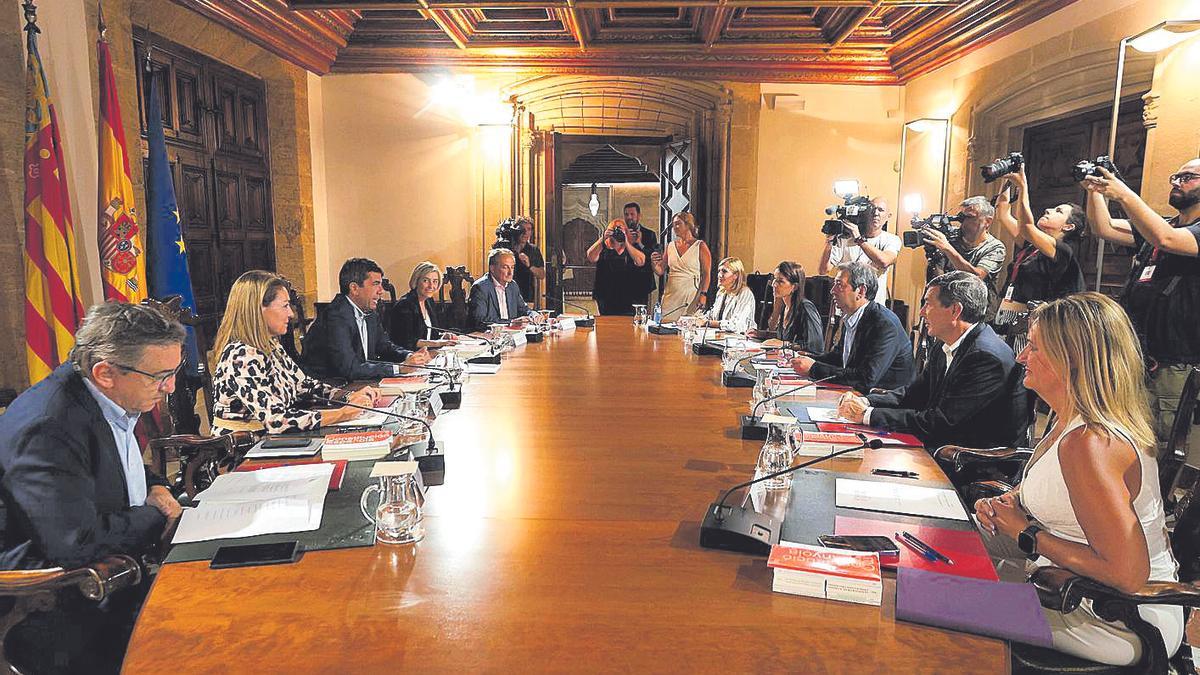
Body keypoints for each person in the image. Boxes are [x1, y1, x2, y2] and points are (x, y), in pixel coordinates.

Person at [975, 293, 1182, 667]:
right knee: (938, 566)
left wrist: (1027, 532)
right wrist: (1008, 505)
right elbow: (1059, 499)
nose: (1021, 356)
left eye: (1034, 348)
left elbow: (1128, 574)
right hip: (1064, 588)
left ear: (1072, 360)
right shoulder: (1066, 420)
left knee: (936, 606)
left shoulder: (1091, 442)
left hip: (1115, 616)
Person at [0, 302, 185, 674]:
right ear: (105, 373)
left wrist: (156, 487)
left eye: (174, 371)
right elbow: (75, 543)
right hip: (68, 600)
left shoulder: (102, 397)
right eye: (159, 375)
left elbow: (112, 467)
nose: (170, 387)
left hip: (116, 566)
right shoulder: (50, 425)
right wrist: (156, 515)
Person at [1082, 159, 1200, 463]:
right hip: (1138, 353)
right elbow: (1103, 227)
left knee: (1159, 443)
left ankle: (1155, 503)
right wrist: (1095, 190)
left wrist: (1123, 193)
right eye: (1176, 175)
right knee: (1126, 433)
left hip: (1175, 360)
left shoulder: (1179, 232)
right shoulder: (1164, 224)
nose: (1176, 182)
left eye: (1187, 177)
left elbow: (1167, 239)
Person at [837, 271, 1029, 449]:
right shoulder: (944, 343)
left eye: (928, 304)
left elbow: (941, 422)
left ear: (955, 311)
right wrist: (866, 402)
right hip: (940, 445)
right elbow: (913, 395)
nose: (921, 312)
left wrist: (868, 415)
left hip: (969, 461)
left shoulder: (986, 357)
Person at [212, 270, 377, 434]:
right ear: (258, 310)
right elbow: (276, 420)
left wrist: (349, 397)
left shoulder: (271, 345)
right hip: (243, 451)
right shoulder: (241, 355)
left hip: (271, 442)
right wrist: (342, 414)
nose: (291, 314)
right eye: (284, 306)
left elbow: (304, 386)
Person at [792, 261, 914, 392]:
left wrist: (813, 368)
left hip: (884, 401)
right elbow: (838, 358)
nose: (832, 291)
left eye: (839, 285)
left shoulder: (884, 324)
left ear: (861, 291)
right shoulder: (852, 316)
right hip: (856, 394)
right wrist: (803, 358)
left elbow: (866, 378)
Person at [302, 258, 430, 381]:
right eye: (375, 284)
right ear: (354, 288)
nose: (381, 291)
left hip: (358, 383)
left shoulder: (369, 312)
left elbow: (384, 347)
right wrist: (399, 368)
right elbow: (349, 368)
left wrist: (409, 356)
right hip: (329, 390)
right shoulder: (336, 317)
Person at [992, 168, 1086, 306]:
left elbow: (1026, 227)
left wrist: (1022, 186)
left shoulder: (1063, 251)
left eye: (1058, 211)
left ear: (1068, 226)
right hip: (1008, 313)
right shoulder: (1031, 245)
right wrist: (1005, 177)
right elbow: (1003, 215)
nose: (1048, 210)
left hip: (1036, 319)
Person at [921, 195, 1008, 315]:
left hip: (976, 314)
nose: (963, 223)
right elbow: (938, 279)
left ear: (987, 221)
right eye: (961, 217)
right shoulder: (952, 238)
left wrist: (947, 248)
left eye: (970, 217)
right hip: (947, 310)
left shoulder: (995, 247)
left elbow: (976, 277)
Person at [818, 197, 902, 304]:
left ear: (888, 216)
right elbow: (823, 270)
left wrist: (859, 239)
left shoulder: (891, 240)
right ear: (865, 212)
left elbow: (884, 261)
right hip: (844, 306)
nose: (875, 213)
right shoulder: (845, 238)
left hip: (872, 307)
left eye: (880, 210)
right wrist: (829, 241)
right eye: (872, 209)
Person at [747, 261, 824, 352]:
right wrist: (762, 334)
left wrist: (784, 345)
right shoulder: (785, 306)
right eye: (774, 279)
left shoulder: (806, 308)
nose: (774, 284)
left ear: (794, 287)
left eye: (780, 281)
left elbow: (815, 346)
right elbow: (784, 337)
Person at [651, 213, 712, 322]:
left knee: (687, 326)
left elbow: (707, 273)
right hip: (672, 294)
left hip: (691, 294)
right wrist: (653, 263)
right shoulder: (670, 246)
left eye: (678, 224)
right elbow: (660, 271)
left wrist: (703, 294)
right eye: (673, 225)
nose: (674, 227)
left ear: (688, 225)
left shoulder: (700, 246)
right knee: (666, 326)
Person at [388, 261, 457, 351]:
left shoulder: (429, 301)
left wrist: (443, 336)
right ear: (416, 281)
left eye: (435, 281)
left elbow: (430, 333)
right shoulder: (405, 305)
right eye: (425, 281)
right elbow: (406, 341)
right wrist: (437, 343)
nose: (431, 286)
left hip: (427, 354)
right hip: (409, 357)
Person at [468, 247, 541, 330]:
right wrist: (511, 323)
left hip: (511, 335)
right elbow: (480, 321)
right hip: (488, 336)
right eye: (505, 267)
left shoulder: (512, 286)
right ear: (492, 268)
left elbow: (524, 309)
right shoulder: (480, 288)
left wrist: (534, 314)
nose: (510, 272)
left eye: (512, 267)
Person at [587, 218, 648, 315]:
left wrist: (626, 241)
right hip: (606, 295)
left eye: (620, 229)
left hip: (629, 295)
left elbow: (641, 261)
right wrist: (603, 238)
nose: (617, 232)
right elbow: (590, 257)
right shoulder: (603, 247)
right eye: (614, 229)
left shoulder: (631, 248)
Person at [494, 216, 544, 304]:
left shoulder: (533, 250)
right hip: (504, 293)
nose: (525, 233)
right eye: (522, 229)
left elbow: (541, 275)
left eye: (528, 229)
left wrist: (529, 265)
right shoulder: (505, 247)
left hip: (526, 295)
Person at [700, 257, 757, 333]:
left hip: (740, 339)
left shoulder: (745, 293)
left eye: (724, 271)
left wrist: (708, 323)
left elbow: (736, 326)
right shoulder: (722, 292)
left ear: (735, 275)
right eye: (719, 271)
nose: (720, 275)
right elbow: (712, 315)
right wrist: (698, 319)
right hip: (722, 338)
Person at [622, 202, 659, 307]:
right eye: (626, 214)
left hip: (642, 282)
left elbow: (652, 257)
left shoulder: (649, 234)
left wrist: (639, 243)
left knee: (640, 315)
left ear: (639, 215)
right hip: (623, 281)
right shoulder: (620, 234)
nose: (629, 217)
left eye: (632, 214)